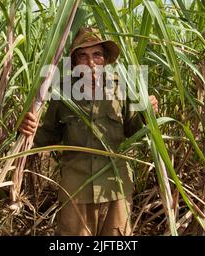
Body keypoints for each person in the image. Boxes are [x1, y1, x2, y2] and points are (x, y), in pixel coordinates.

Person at [19, 27, 158, 236]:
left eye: (97, 55)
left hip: (115, 189)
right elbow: (47, 136)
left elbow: (134, 130)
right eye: (83, 56)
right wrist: (25, 129)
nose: (91, 63)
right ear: (74, 63)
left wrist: (149, 115)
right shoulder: (62, 92)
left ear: (105, 60)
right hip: (75, 191)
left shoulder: (122, 88)